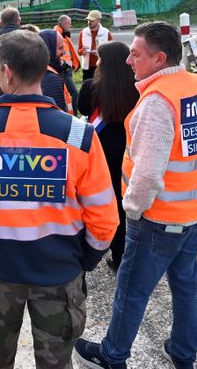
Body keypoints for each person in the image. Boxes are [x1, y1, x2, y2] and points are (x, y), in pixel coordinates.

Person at [0, 30, 119, 369]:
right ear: (44, 68)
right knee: (56, 362)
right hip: (59, 268)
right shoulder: (78, 135)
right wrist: (85, 259)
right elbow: (103, 215)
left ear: (6, 71)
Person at [74, 22, 197, 369]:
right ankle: (184, 352)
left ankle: (113, 355)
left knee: (131, 291)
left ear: (159, 58)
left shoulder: (157, 102)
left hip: (160, 216)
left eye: (136, 54)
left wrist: (132, 210)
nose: (128, 61)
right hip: (195, 211)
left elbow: (149, 173)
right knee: (185, 285)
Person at [76, 41, 140, 272]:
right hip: (130, 149)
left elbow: (83, 109)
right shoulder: (138, 86)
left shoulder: (91, 87)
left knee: (104, 201)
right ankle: (125, 254)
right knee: (127, 202)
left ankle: (103, 247)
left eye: (100, 59)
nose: (98, 62)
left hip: (102, 151)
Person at [39, 29, 71, 113]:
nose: (64, 52)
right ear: (48, 49)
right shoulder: (50, 79)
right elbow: (59, 115)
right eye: (60, 48)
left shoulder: (44, 70)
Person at [55, 14, 81, 114]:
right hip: (64, 70)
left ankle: (68, 113)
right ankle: (74, 114)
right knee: (74, 93)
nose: (70, 26)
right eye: (69, 24)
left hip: (67, 69)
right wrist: (66, 65)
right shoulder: (58, 35)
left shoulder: (63, 34)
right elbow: (61, 54)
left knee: (65, 93)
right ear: (64, 24)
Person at [78, 10, 112, 82]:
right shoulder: (83, 32)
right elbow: (79, 52)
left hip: (101, 66)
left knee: (101, 88)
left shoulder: (106, 33)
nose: (89, 22)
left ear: (99, 21)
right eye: (88, 20)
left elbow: (111, 51)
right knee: (88, 88)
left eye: (92, 20)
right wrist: (83, 51)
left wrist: (100, 53)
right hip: (87, 67)